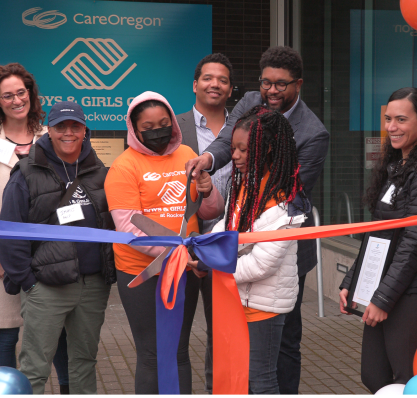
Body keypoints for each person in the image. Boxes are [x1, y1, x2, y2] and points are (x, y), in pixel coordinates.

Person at [186, 46, 330, 395]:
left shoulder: (313, 133)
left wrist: (224, 256)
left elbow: (292, 193)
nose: (271, 92)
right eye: (266, 83)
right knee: (235, 346)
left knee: (280, 348)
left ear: (298, 84)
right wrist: (208, 159)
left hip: (281, 255)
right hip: (239, 247)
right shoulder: (251, 99)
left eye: (281, 85)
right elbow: (226, 141)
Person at [104, 91, 224, 395]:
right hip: (142, 273)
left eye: (163, 123)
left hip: (185, 270)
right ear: (134, 128)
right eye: (148, 126)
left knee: (180, 352)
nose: (157, 131)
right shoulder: (123, 167)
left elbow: (208, 213)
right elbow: (131, 228)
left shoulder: (187, 154)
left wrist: (208, 190)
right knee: (152, 354)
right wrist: (183, 255)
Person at [338, 87, 417, 394]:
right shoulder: (395, 167)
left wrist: (382, 299)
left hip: (414, 293)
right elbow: (377, 233)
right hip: (384, 287)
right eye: (389, 119)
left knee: (405, 379)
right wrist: (351, 280)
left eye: (401, 119)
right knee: (373, 376)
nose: (392, 127)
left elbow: (415, 241)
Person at [0, 101, 115, 395]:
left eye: (75, 126)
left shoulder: (100, 171)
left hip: (92, 285)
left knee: (84, 362)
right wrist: (29, 282)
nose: (68, 132)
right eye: (61, 126)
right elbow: (9, 234)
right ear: (48, 130)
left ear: (85, 131)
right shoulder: (26, 172)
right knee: (35, 367)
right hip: (46, 287)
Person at [0, 63, 69, 394]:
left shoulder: (48, 136)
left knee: (58, 331)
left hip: (48, 255)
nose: (16, 100)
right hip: (4, 257)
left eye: (21, 92)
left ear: (31, 94)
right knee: (7, 332)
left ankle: (68, 387)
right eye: (7, 95)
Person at [210, 106, 307, 395]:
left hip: (265, 305)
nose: (235, 156)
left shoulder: (288, 203)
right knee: (239, 375)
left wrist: (213, 266)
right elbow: (226, 226)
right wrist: (201, 246)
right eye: (233, 148)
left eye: (243, 149)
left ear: (265, 151)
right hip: (239, 297)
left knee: (260, 379)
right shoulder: (246, 186)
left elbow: (262, 264)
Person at [176, 53, 234, 394]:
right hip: (185, 246)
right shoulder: (175, 126)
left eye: (223, 80)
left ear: (230, 88)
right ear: (195, 84)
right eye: (209, 78)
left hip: (230, 245)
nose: (215, 84)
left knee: (223, 335)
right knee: (177, 334)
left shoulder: (240, 127)